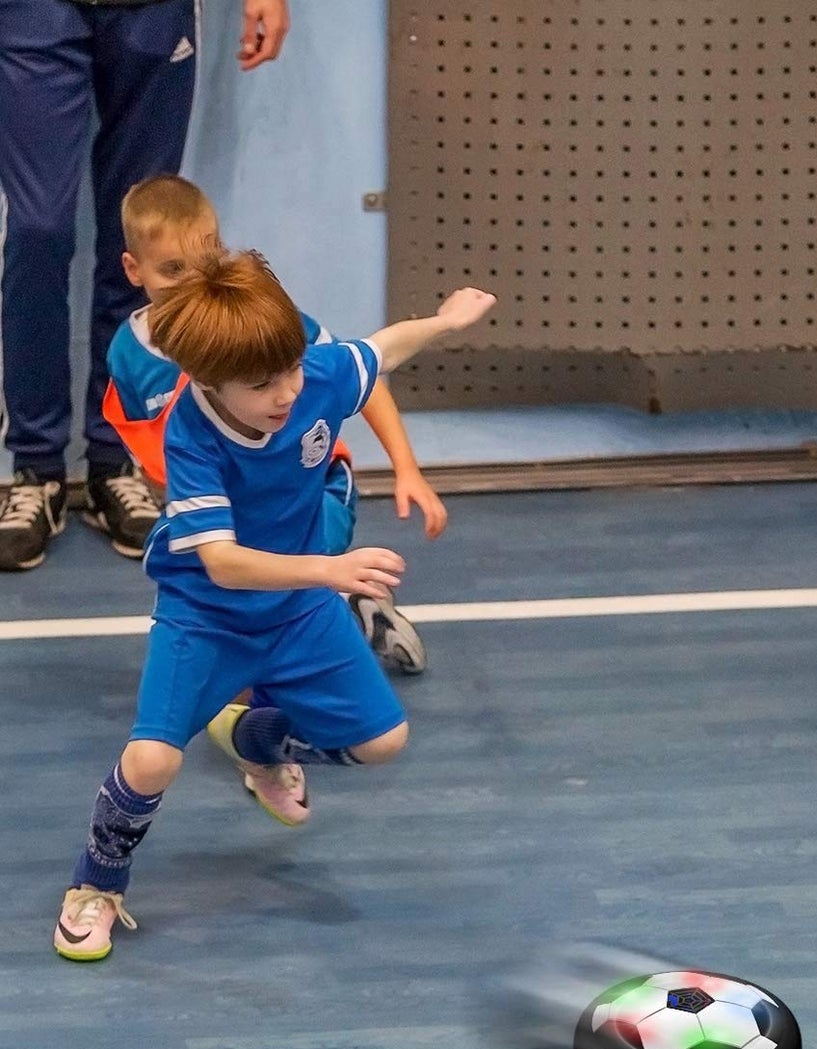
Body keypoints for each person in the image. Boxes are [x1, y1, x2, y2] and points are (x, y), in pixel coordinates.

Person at [52, 250, 495, 962]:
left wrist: (444, 321)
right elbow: (222, 562)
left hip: (297, 611)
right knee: (152, 759)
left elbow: (381, 350)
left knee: (381, 742)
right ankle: (96, 884)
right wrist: (330, 569)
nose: (287, 392)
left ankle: (257, 742)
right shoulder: (192, 435)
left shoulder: (308, 377)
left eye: (291, 370)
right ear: (206, 380)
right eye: (262, 384)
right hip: (207, 615)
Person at [104, 173, 442, 672]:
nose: (191, 282)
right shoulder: (128, 357)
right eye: (172, 270)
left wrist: (406, 468)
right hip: (240, 509)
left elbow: (360, 376)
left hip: (314, 487)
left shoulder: (265, 325)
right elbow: (156, 452)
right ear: (134, 270)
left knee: (294, 574)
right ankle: (331, 617)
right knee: (237, 594)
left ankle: (338, 611)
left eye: (203, 262)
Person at [0, 0, 289, 572]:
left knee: (147, 246)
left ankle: (116, 458)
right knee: (37, 233)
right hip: (34, 12)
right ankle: (37, 470)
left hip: (153, 11)